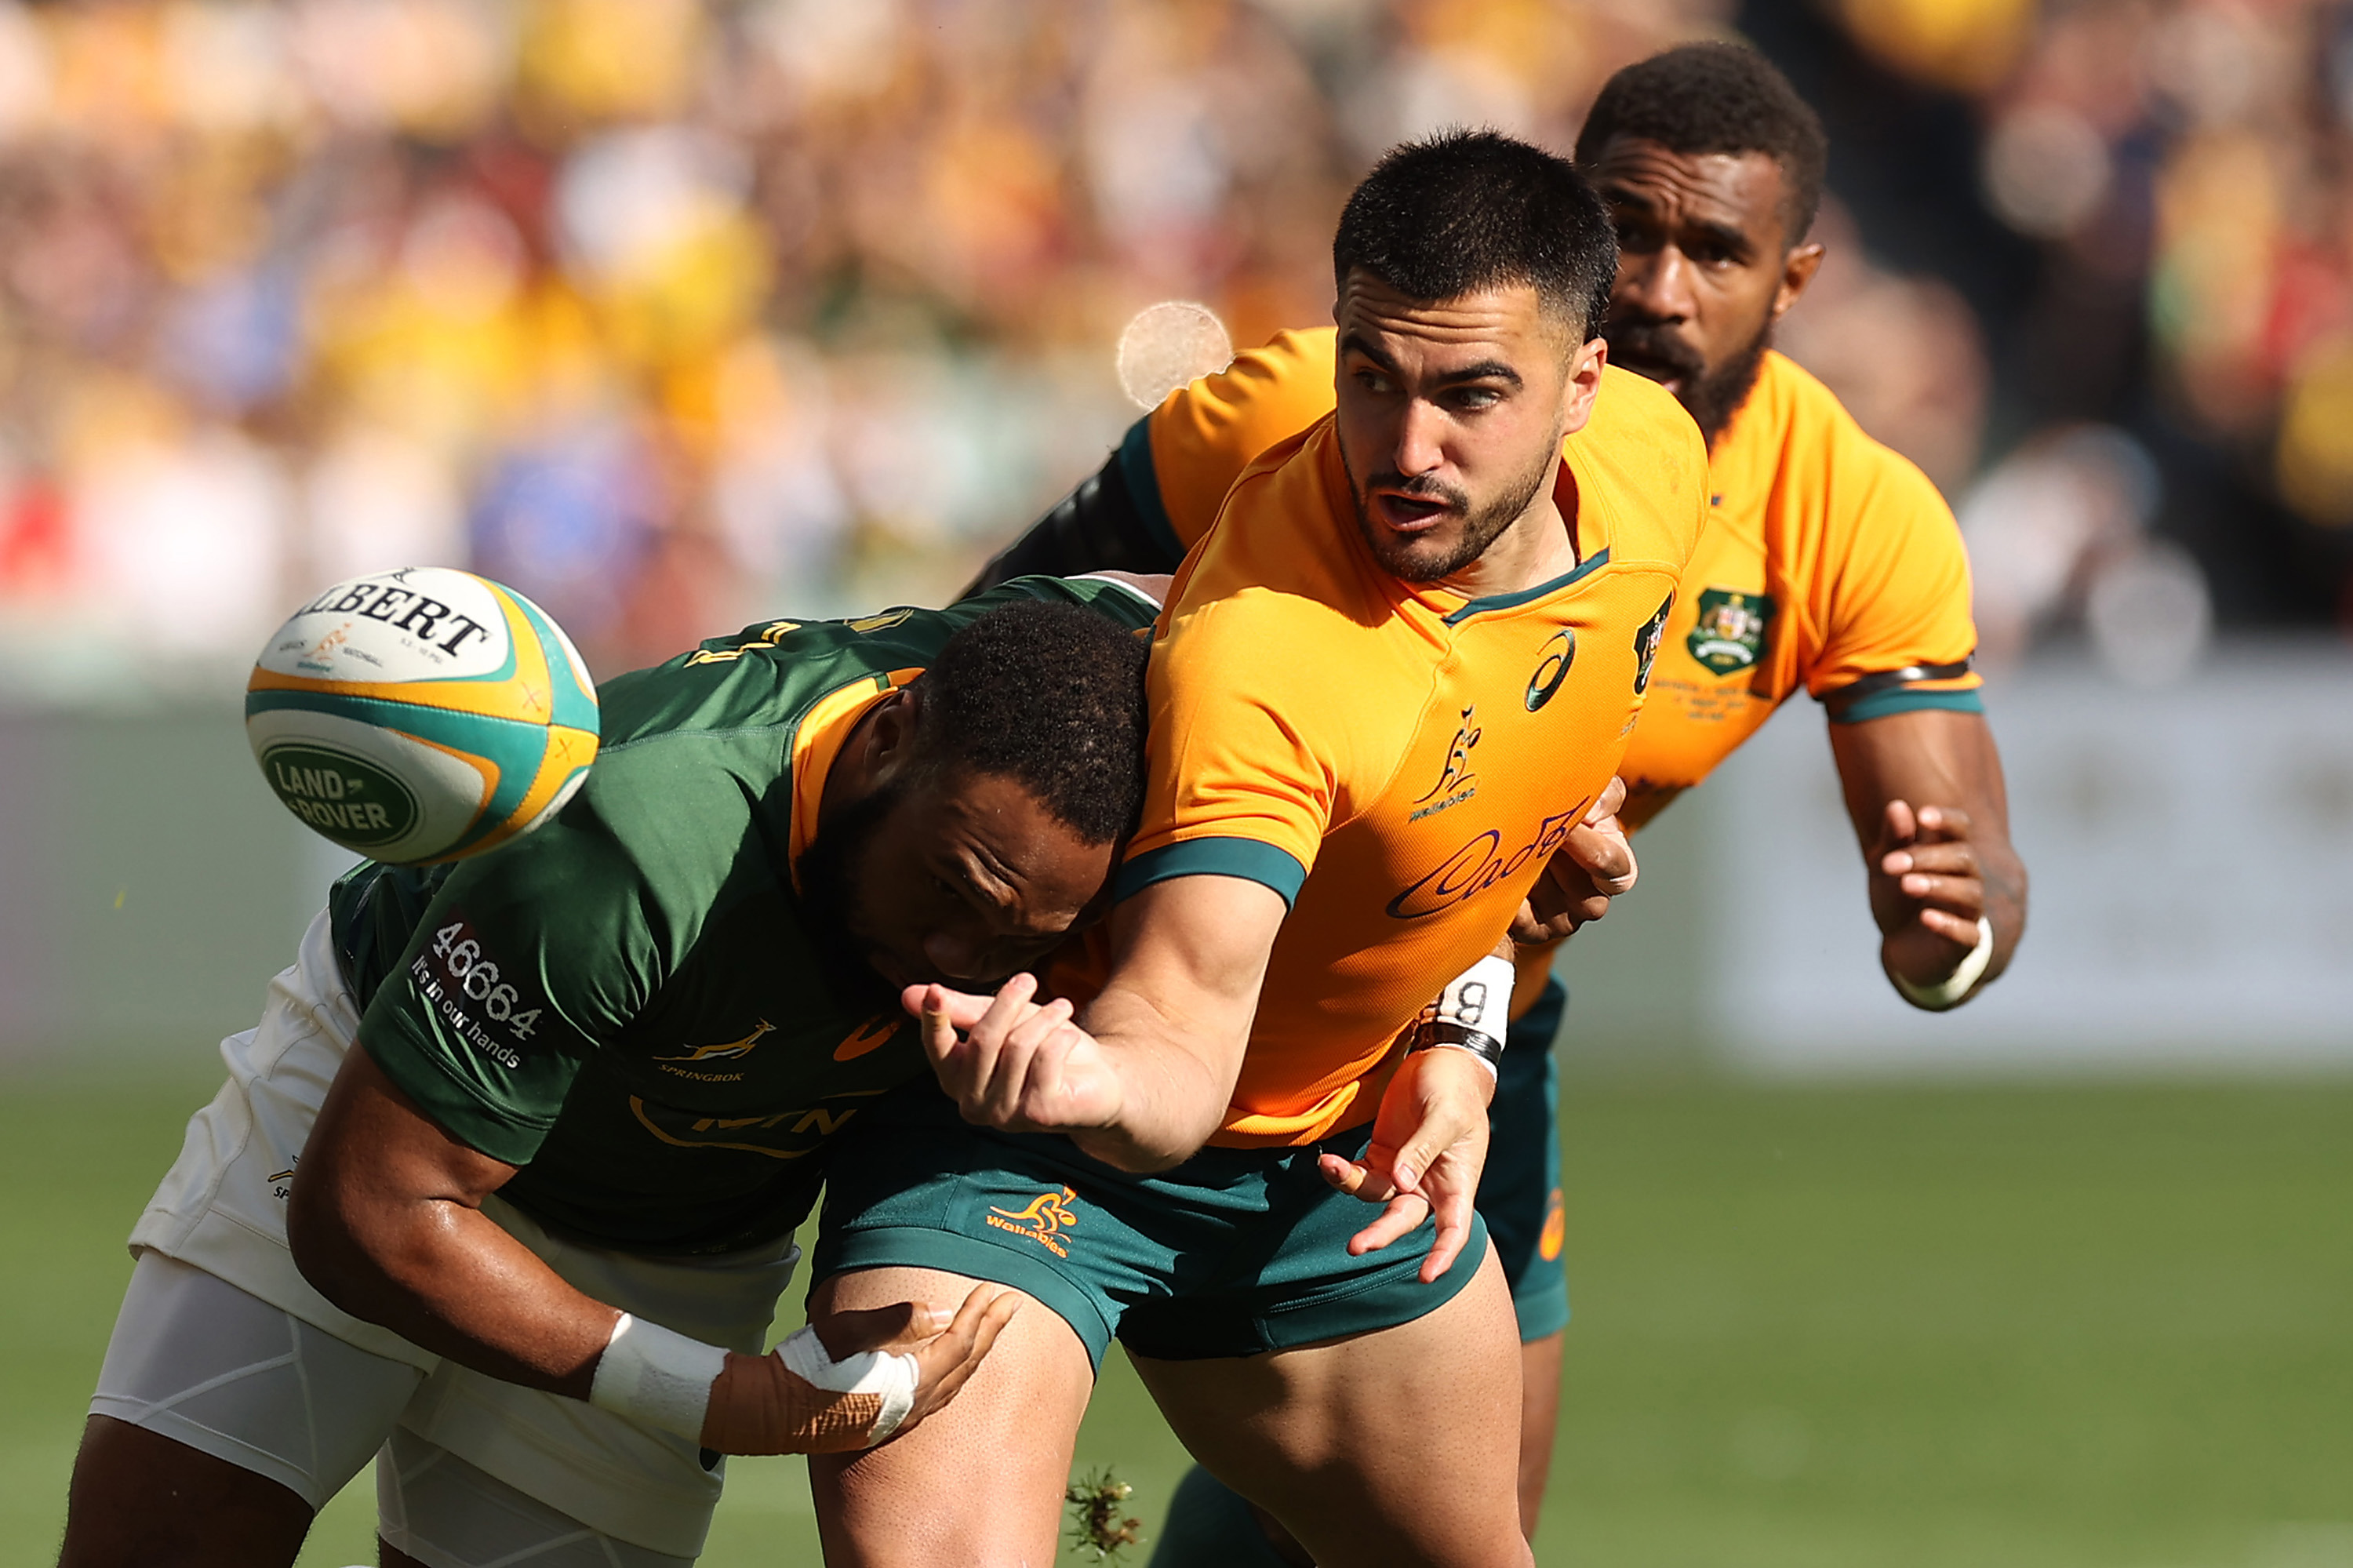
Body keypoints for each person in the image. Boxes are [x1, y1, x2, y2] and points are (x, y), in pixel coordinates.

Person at [973, 43, 2031, 1562]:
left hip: (1474, 1007)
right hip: (1180, 980)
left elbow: (1961, 878)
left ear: (1794, 277)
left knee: (1455, 1502)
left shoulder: (1849, 516)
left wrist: (1957, 934)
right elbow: (1000, 642)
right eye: (1629, 231)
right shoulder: (1313, 409)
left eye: (1715, 250)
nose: (1662, 285)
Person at [804, 130, 1707, 1567]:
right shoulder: (1272, 656)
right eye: (1371, 381)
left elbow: (1501, 831)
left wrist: (1457, 1050)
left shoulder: (1661, 468)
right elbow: (1173, 1025)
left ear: (1588, 384)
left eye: (1473, 394)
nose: (1407, 452)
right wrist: (1083, 1072)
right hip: (1043, 1123)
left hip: (1318, 1170)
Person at [55, 577, 1162, 1568]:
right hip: (377, 1102)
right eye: (952, 890)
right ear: (885, 736)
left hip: (683, 1231)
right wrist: (735, 1399)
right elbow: (368, 1213)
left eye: (1022, 943)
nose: (959, 967)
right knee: (166, 1544)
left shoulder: (1141, 667)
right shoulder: (639, 834)